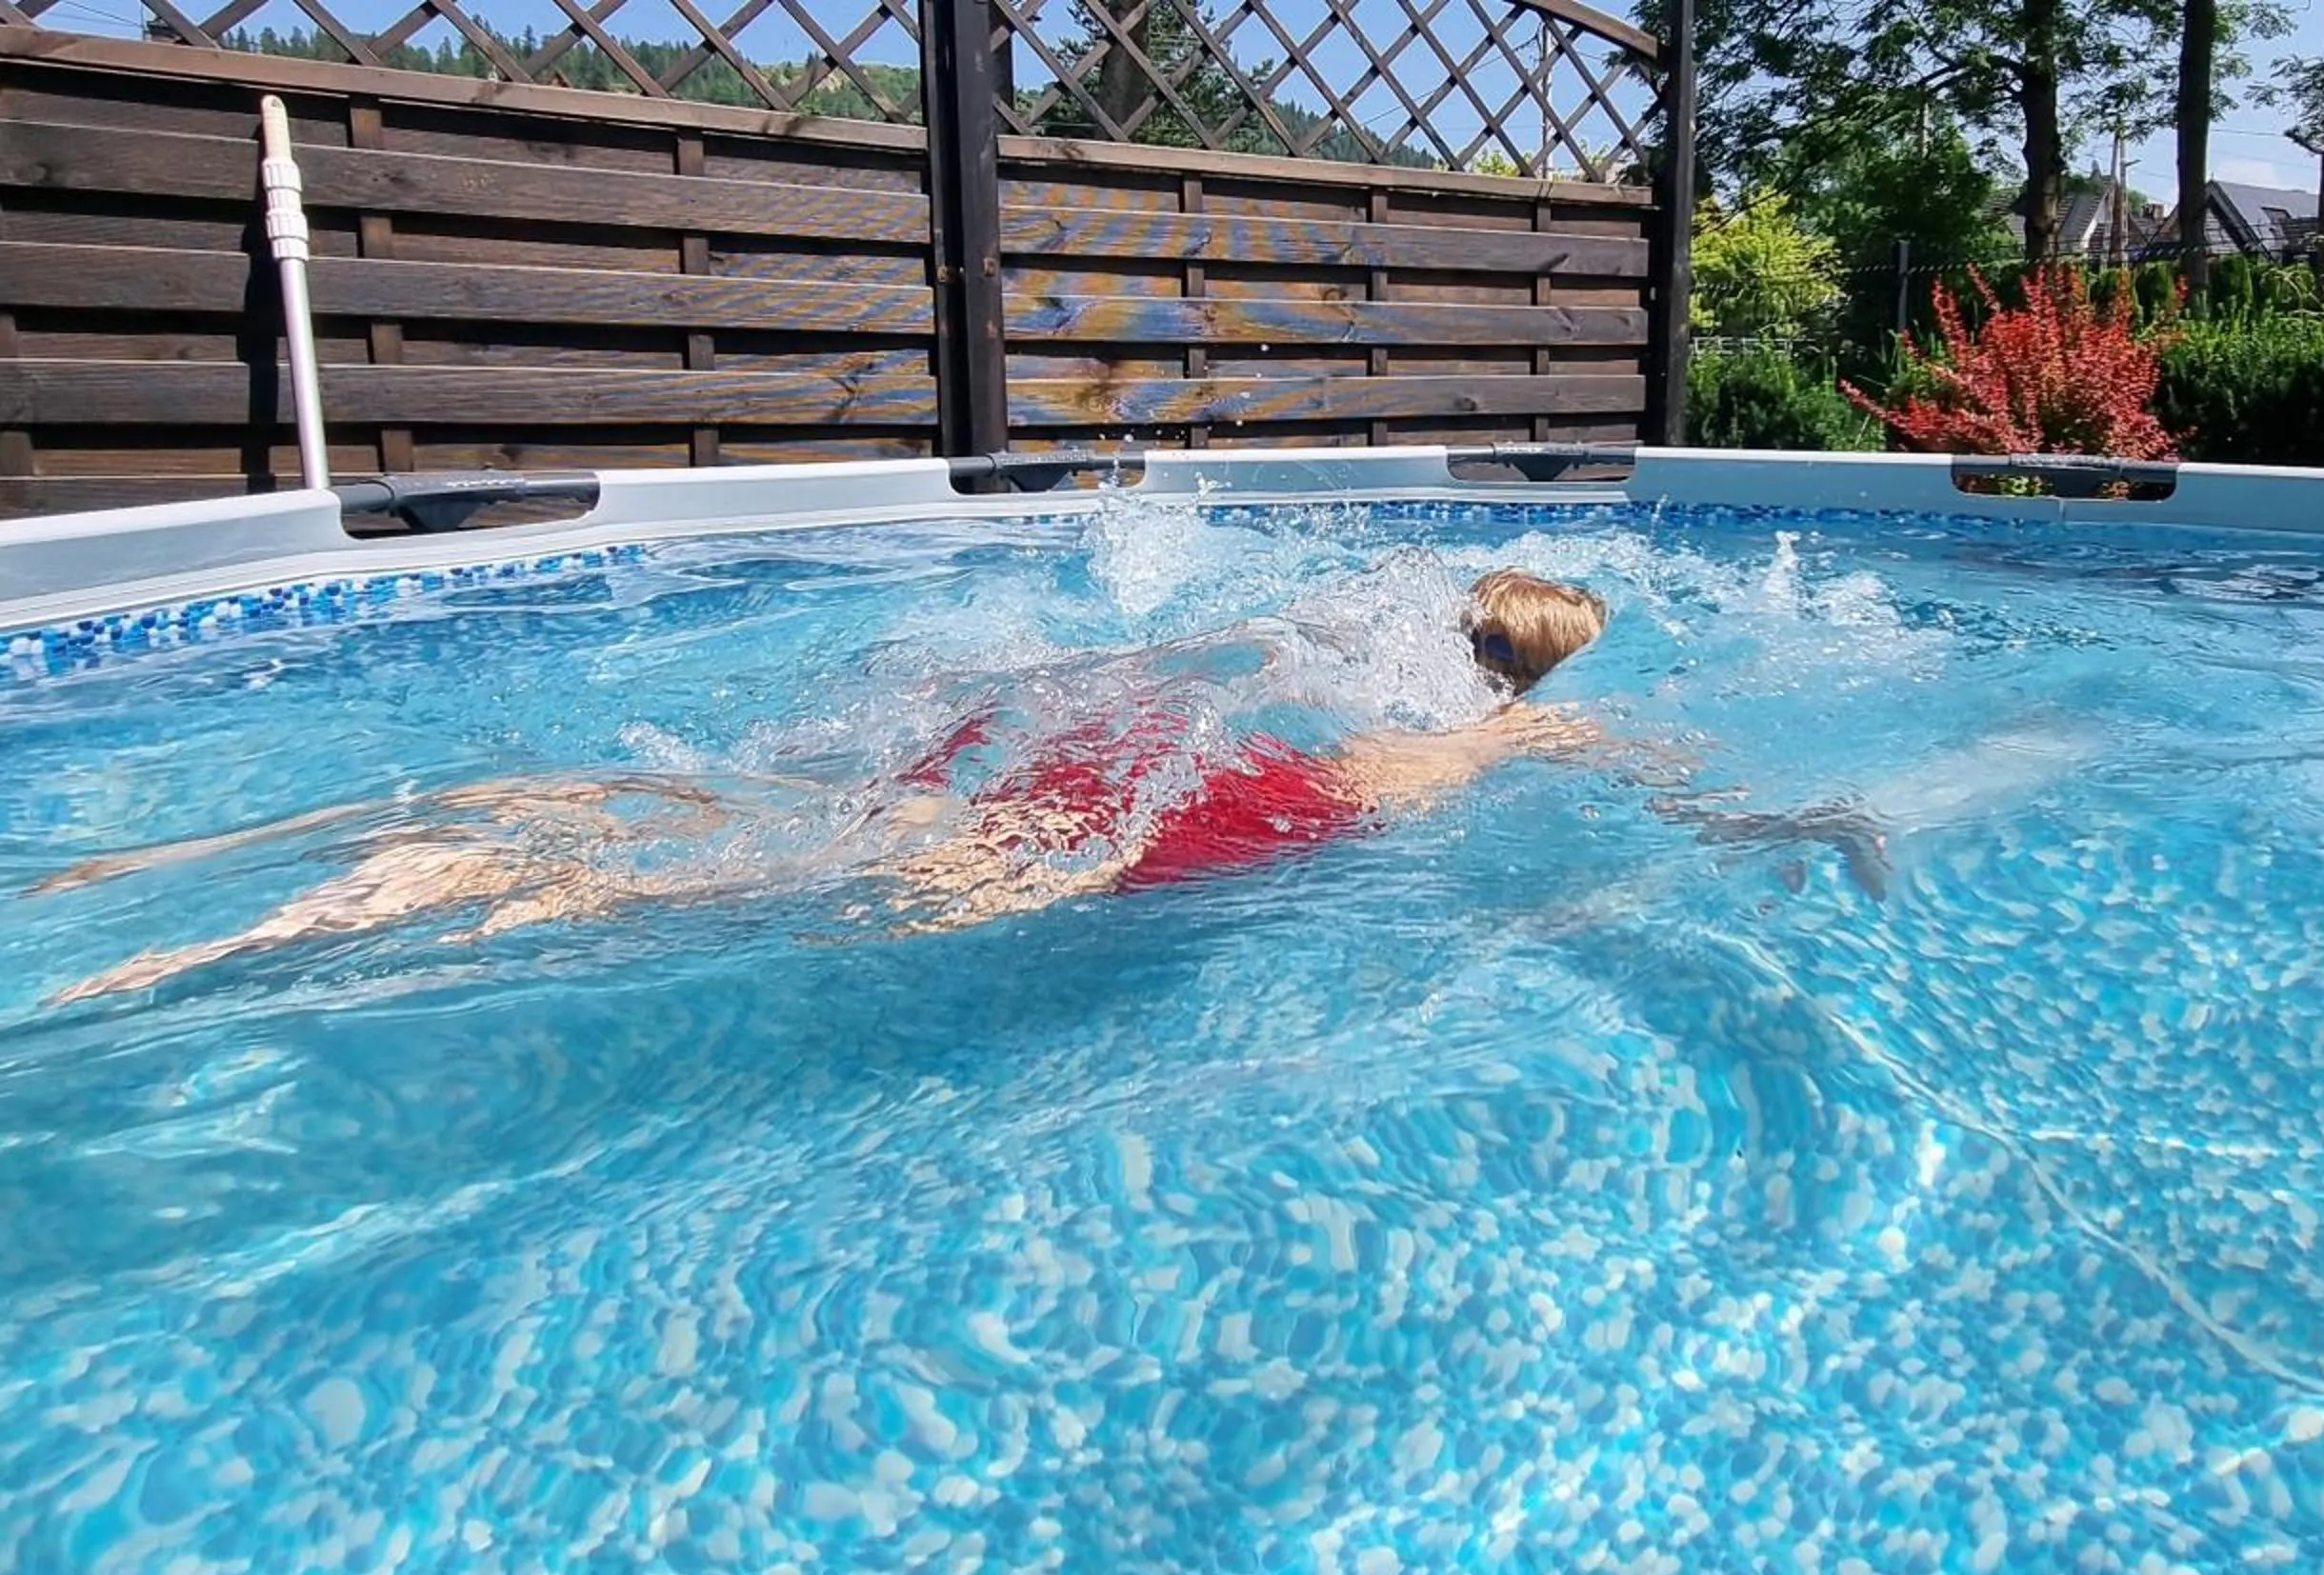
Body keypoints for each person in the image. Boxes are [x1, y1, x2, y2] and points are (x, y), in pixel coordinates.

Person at [36, 570, 1613, 1004]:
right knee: (664, 890)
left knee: (686, 817)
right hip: (1121, 838)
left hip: (1095, 774)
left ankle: (189, 870)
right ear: (1532, 677)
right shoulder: (1484, 734)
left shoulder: (1326, 672)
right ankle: (196, 960)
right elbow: (1655, 772)